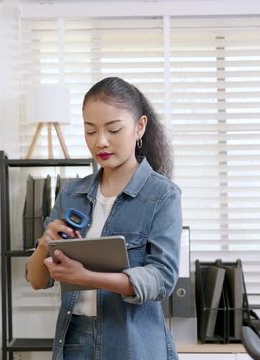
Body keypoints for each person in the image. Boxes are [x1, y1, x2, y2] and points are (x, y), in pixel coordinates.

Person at [26, 77, 182, 360]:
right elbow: (38, 281)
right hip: (74, 341)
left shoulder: (162, 195)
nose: (101, 142)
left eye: (113, 129)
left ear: (140, 127)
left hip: (133, 343)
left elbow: (162, 279)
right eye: (90, 131)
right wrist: (43, 244)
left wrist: (87, 277)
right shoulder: (72, 194)